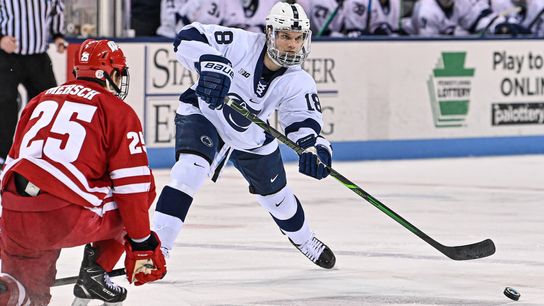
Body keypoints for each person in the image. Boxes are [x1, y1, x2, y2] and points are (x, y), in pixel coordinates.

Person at [152, 2, 336, 270]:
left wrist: (312, 149)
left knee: (279, 201)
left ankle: (306, 240)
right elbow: (187, 37)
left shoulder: (299, 81)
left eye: (298, 38)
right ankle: (157, 249)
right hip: (205, 112)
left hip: (250, 132)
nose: (292, 45)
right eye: (285, 36)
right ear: (270, 33)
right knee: (189, 170)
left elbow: (302, 123)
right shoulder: (241, 43)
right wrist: (210, 63)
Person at [0, 39, 167, 306]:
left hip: (15, 215)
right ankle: (96, 272)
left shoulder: (38, 100)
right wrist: (142, 244)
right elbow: (132, 185)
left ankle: (15, 288)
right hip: (64, 217)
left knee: (26, 292)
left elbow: (11, 163)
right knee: (144, 187)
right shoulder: (117, 111)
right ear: (108, 73)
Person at [0, 0, 67, 168]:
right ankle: (4, 156)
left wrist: (58, 36)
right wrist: (0, 39)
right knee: (5, 102)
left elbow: (57, 12)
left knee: (51, 103)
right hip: (8, 56)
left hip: (38, 56)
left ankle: (42, 153)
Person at [411, 0, 524, 36]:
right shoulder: (426, 11)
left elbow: (478, 19)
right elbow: (428, 49)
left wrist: (499, 25)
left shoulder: (461, 2)